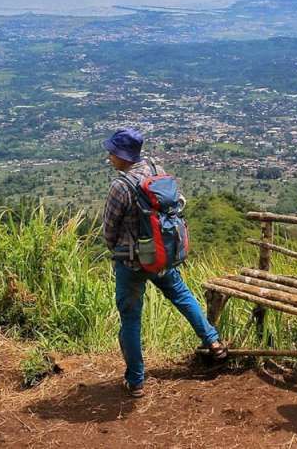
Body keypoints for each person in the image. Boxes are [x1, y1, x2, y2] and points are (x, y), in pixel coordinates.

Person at [101, 127, 227, 398]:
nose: (110, 156)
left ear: (122, 155)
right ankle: (213, 340)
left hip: (132, 262)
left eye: (112, 152)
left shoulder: (120, 186)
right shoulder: (157, 168)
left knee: (131, 318)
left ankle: (136, 381)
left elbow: (109, 231)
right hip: (163, 254)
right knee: (181, 294)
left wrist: (120, 252)